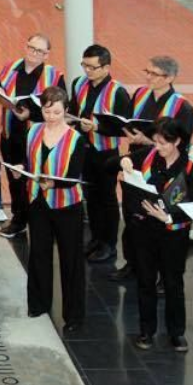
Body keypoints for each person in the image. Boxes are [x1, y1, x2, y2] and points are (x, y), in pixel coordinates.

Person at [8, 87, 89, 333]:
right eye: (46, 111)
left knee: (70, 259)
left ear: (66, 111)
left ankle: (73, 315)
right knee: (39, 253)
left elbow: (74, 175)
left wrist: (54, 182)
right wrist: (20, 168)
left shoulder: (76, 138)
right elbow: (28, 160)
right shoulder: (33, 130)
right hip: (38, 201)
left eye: (56, 112)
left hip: (66, 204)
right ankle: (39, 303)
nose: (51, 116)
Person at [118, 118, 193, 352]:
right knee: (145, 280)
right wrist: (125, 162)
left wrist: (168, 218)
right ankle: (147, 330)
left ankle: (176, 333)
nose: (158, 147)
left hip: (173, 233)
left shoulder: (189, 169)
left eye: (164, 143)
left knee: (173, 282)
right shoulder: (148, 157)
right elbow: (115, 164)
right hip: (144, 230)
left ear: (177, 142)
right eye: (156, 142)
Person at [112, 55, 193, 282]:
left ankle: (161, 273)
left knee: (159, 216)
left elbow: (181, 145)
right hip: (137, 164)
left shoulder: (182, 107)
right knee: (133, 215)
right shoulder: (140, 94)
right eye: (147, 71)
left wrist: (147, 141)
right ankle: (133, 263)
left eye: (154, 74)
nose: (147, 77)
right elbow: (128, 122)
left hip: (164, 171)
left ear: (169, 77)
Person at [0, 33, 66, 239]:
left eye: (40, 51)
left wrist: (30, 114)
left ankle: (42, 221)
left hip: (38, 137)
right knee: (15, 179)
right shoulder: (10, 67)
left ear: (47, 55)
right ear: (26, 47)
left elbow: (61, 108)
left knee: (38, 179)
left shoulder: (54, 75)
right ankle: (19, 219)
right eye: (31, 48)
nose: (34, 53)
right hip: (10, 133)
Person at [69, 44, 133, 263]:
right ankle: (96, 239)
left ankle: (109, 244)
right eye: (84, 65)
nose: (87, 71)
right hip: (83, 149)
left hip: (106, 152)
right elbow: (73, 110)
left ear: (106, 68)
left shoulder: (118, 92)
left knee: (107, 199)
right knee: (90, 196)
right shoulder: (78, 84)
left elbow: (124, 128)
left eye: (92, 67)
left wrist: (96, 128)